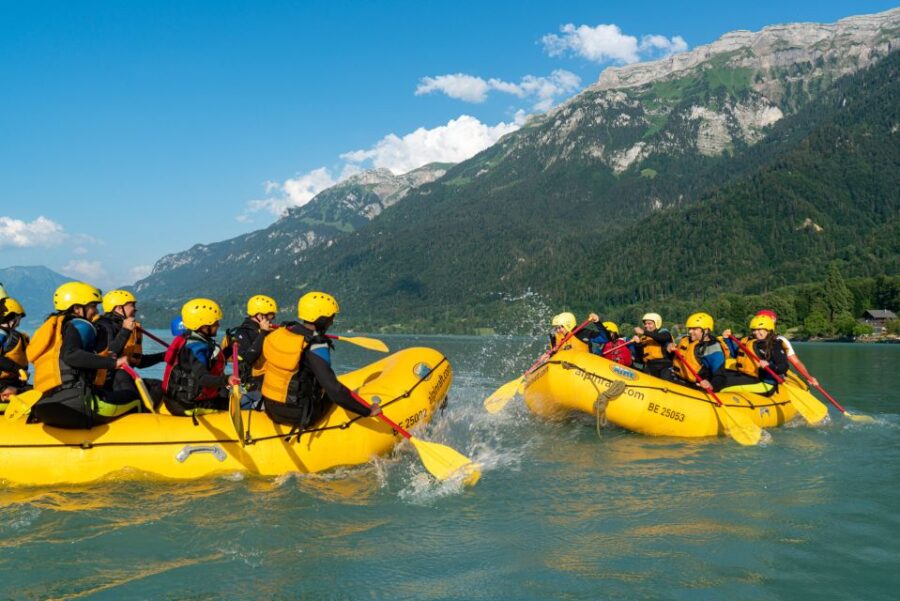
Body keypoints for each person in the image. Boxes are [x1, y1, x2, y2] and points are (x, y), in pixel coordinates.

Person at [260, 291, 380, 428]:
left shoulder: (285, 331)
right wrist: (367, 410)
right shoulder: (316, 345)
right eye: (330, 318)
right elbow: (335, 393)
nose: (332, 322)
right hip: (297, 415)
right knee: (330, 394)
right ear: (321, 318)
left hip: (270, 407)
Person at [28, 282, 139, 428]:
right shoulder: (80, 325)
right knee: (134, 397)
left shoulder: (56, 328)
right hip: (77, 405)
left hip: (46, 406)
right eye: (92, 306)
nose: (95, 311)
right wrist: (114, 363)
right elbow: (71, 355)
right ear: (77, 309)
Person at [161, 298, 239, 416]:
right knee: (236, 404)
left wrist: (229, 349)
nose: (218, 325)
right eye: (215, 322)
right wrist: (226, 379)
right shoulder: (195, 348)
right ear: (203, 326)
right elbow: (202, 378)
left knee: (227, 396)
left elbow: (211, 361)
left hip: (181, 400)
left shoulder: (194, 340)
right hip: (186, 404)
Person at [93, 289, 165, 406]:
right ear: (118, 308)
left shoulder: (123, 326)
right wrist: (125, 330)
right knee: (127, 384)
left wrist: (163, 356)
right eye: (132, 305)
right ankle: (137, 414)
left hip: (123, 376)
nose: (135, 309)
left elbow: (138, 362)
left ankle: (148, 415)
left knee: (158, 386)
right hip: (110, 379)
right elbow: (110, 352)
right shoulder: (103, 325)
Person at [222, 294, 277, 409]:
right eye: (270, 315)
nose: (272, 318)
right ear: (259, 315)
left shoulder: (268, 331)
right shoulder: (242, 333)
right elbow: (248, 358)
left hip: (268, 382)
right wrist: (263, 333)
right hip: (252, 387)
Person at [720, 313, 789, 394]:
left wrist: (769, 366)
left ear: (769, 330)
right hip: (748, 376)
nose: (756, 332)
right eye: (754, 330)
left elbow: (783, 367)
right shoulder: (750, 341)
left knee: (723, 383)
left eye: (760, 329)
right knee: (719, 376)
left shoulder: (775, 345)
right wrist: (727, 340)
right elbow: (737, 355)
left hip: (765, 383)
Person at [754, 309, 819, 387]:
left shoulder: (778, 341)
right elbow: (796, 362)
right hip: (761, 375)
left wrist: (808, 377)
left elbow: (796, 362)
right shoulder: (779, 341)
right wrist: (808, 377)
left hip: (763, 375)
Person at [667, 312, 729, 392]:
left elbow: (720, 376)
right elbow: (678, 359)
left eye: (694, 329)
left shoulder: (713, 349)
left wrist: (712, 385)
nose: (690, 332)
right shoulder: (686, 340)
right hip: (677, 379)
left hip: (695, 387)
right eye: (689, 329)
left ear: (706, 330)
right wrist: (670, 350)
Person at [0, 297, 31, 411]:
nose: (18, 323)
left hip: (15, 383)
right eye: (17, 319)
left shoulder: (18, 337)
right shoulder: (1, 335)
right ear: (8, 318)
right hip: (3, 386)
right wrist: (17, 369)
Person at [630, 312, 674, 378]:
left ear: (657, 323)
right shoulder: (643, 338)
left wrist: (644, 332)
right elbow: (640, 358)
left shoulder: (664, 332)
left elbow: (662, 338)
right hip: (650, 365)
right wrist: (638, 344)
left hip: (665, 365)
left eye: (649, 324)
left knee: (665, 376)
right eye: (645, 324)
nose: (646, 326)